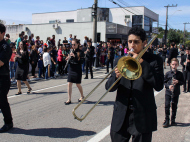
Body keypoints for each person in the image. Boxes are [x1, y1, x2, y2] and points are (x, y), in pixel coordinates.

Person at [105, 27, 164, 142]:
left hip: (143, 116)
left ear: (144, 43)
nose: (132, 45)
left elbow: (159, 85)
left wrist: (142, 64)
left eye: (136, 42)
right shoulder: (119, 60)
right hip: (121, 116)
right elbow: (109, 87)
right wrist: (116, 77)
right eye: (130, 41)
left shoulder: (155, 60)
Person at [163, 58, 184, 128]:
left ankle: (173, 120)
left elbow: (183, 82)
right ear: (171, 65)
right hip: (168, 92)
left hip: (176, 92)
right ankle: (167, 120)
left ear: (178, 65)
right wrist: (168, 86)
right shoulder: (168, 73)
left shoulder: (180, 74)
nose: (174, 66)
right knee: (167, 106)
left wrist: (178, 82)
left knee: (174, 106)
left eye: (175, 64)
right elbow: (164, 82)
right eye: (173, 64)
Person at [0, 23, 13, 133]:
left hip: (2, 78)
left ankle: (8, 122)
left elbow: (0, 63)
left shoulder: (5, 47)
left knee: (2, 100)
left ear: (2, 33)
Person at [65, 39, 84, 105]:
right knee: (69, 83)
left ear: (77, 44)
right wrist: (68, 58)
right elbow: (71, 61)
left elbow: (81, 61)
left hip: (77, 69)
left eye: (74, 44)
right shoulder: (71, 51)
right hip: (71, 69)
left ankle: (82, 96)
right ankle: (69, 99)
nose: (73, 46)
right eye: (72, 44)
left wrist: (75, 56)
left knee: (77, 84)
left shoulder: (81, 52)